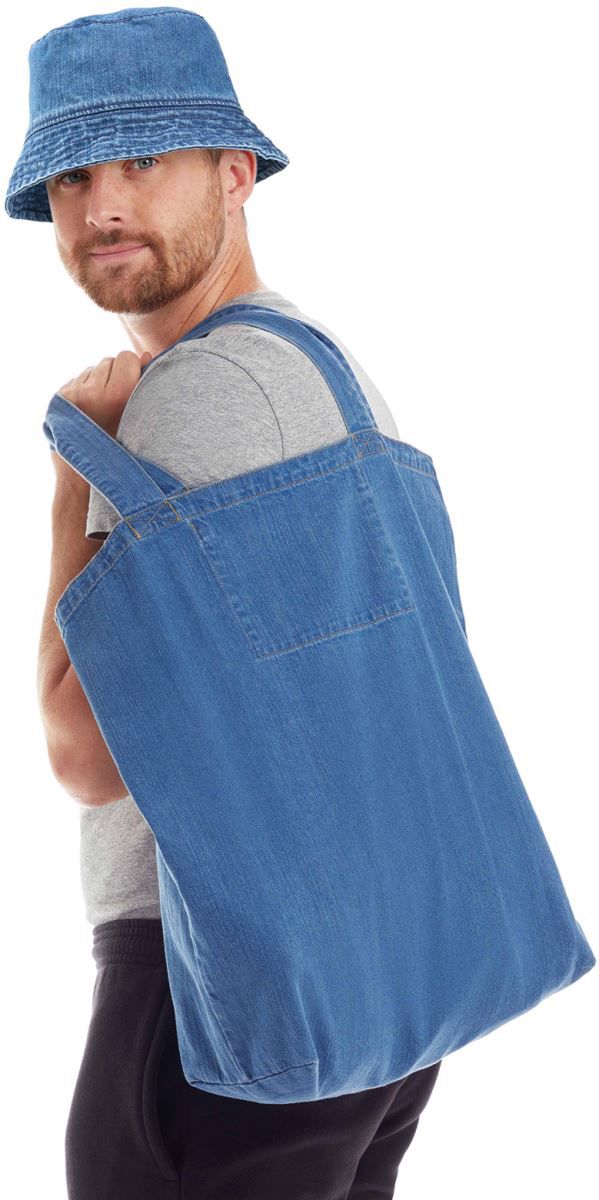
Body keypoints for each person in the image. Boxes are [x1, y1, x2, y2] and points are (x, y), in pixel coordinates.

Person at [6, 8, 442, 1197]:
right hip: (384, 975)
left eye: (143, 160)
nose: (102, 205)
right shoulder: (326, 371)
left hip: (212, 982)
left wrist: (73, 480)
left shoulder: (188, 402)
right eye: (72, 176)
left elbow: (86, 752)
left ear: (235, 172)